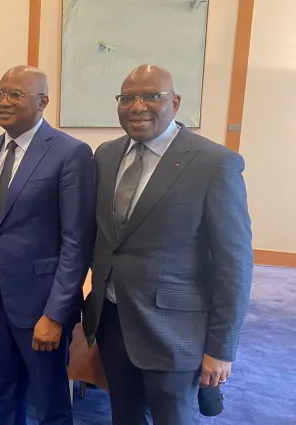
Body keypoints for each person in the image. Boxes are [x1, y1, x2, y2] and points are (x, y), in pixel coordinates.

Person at [82, 65, 253, 425]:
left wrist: (221, 349)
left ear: (174, 103)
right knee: (123, 416)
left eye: (151, 97)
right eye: (127, 98)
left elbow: (234, 264)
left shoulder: (214, 164)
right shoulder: (106, 156)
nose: (137, 106)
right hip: (112, 321)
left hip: (175, 332)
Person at [0, 66, 96, 425]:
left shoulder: (70, 153)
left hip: (41, 305)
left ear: (43, 101)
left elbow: (76, 242)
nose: (3, 102)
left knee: (50, 403)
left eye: (15, 95)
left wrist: (55, 314)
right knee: (4, 394)